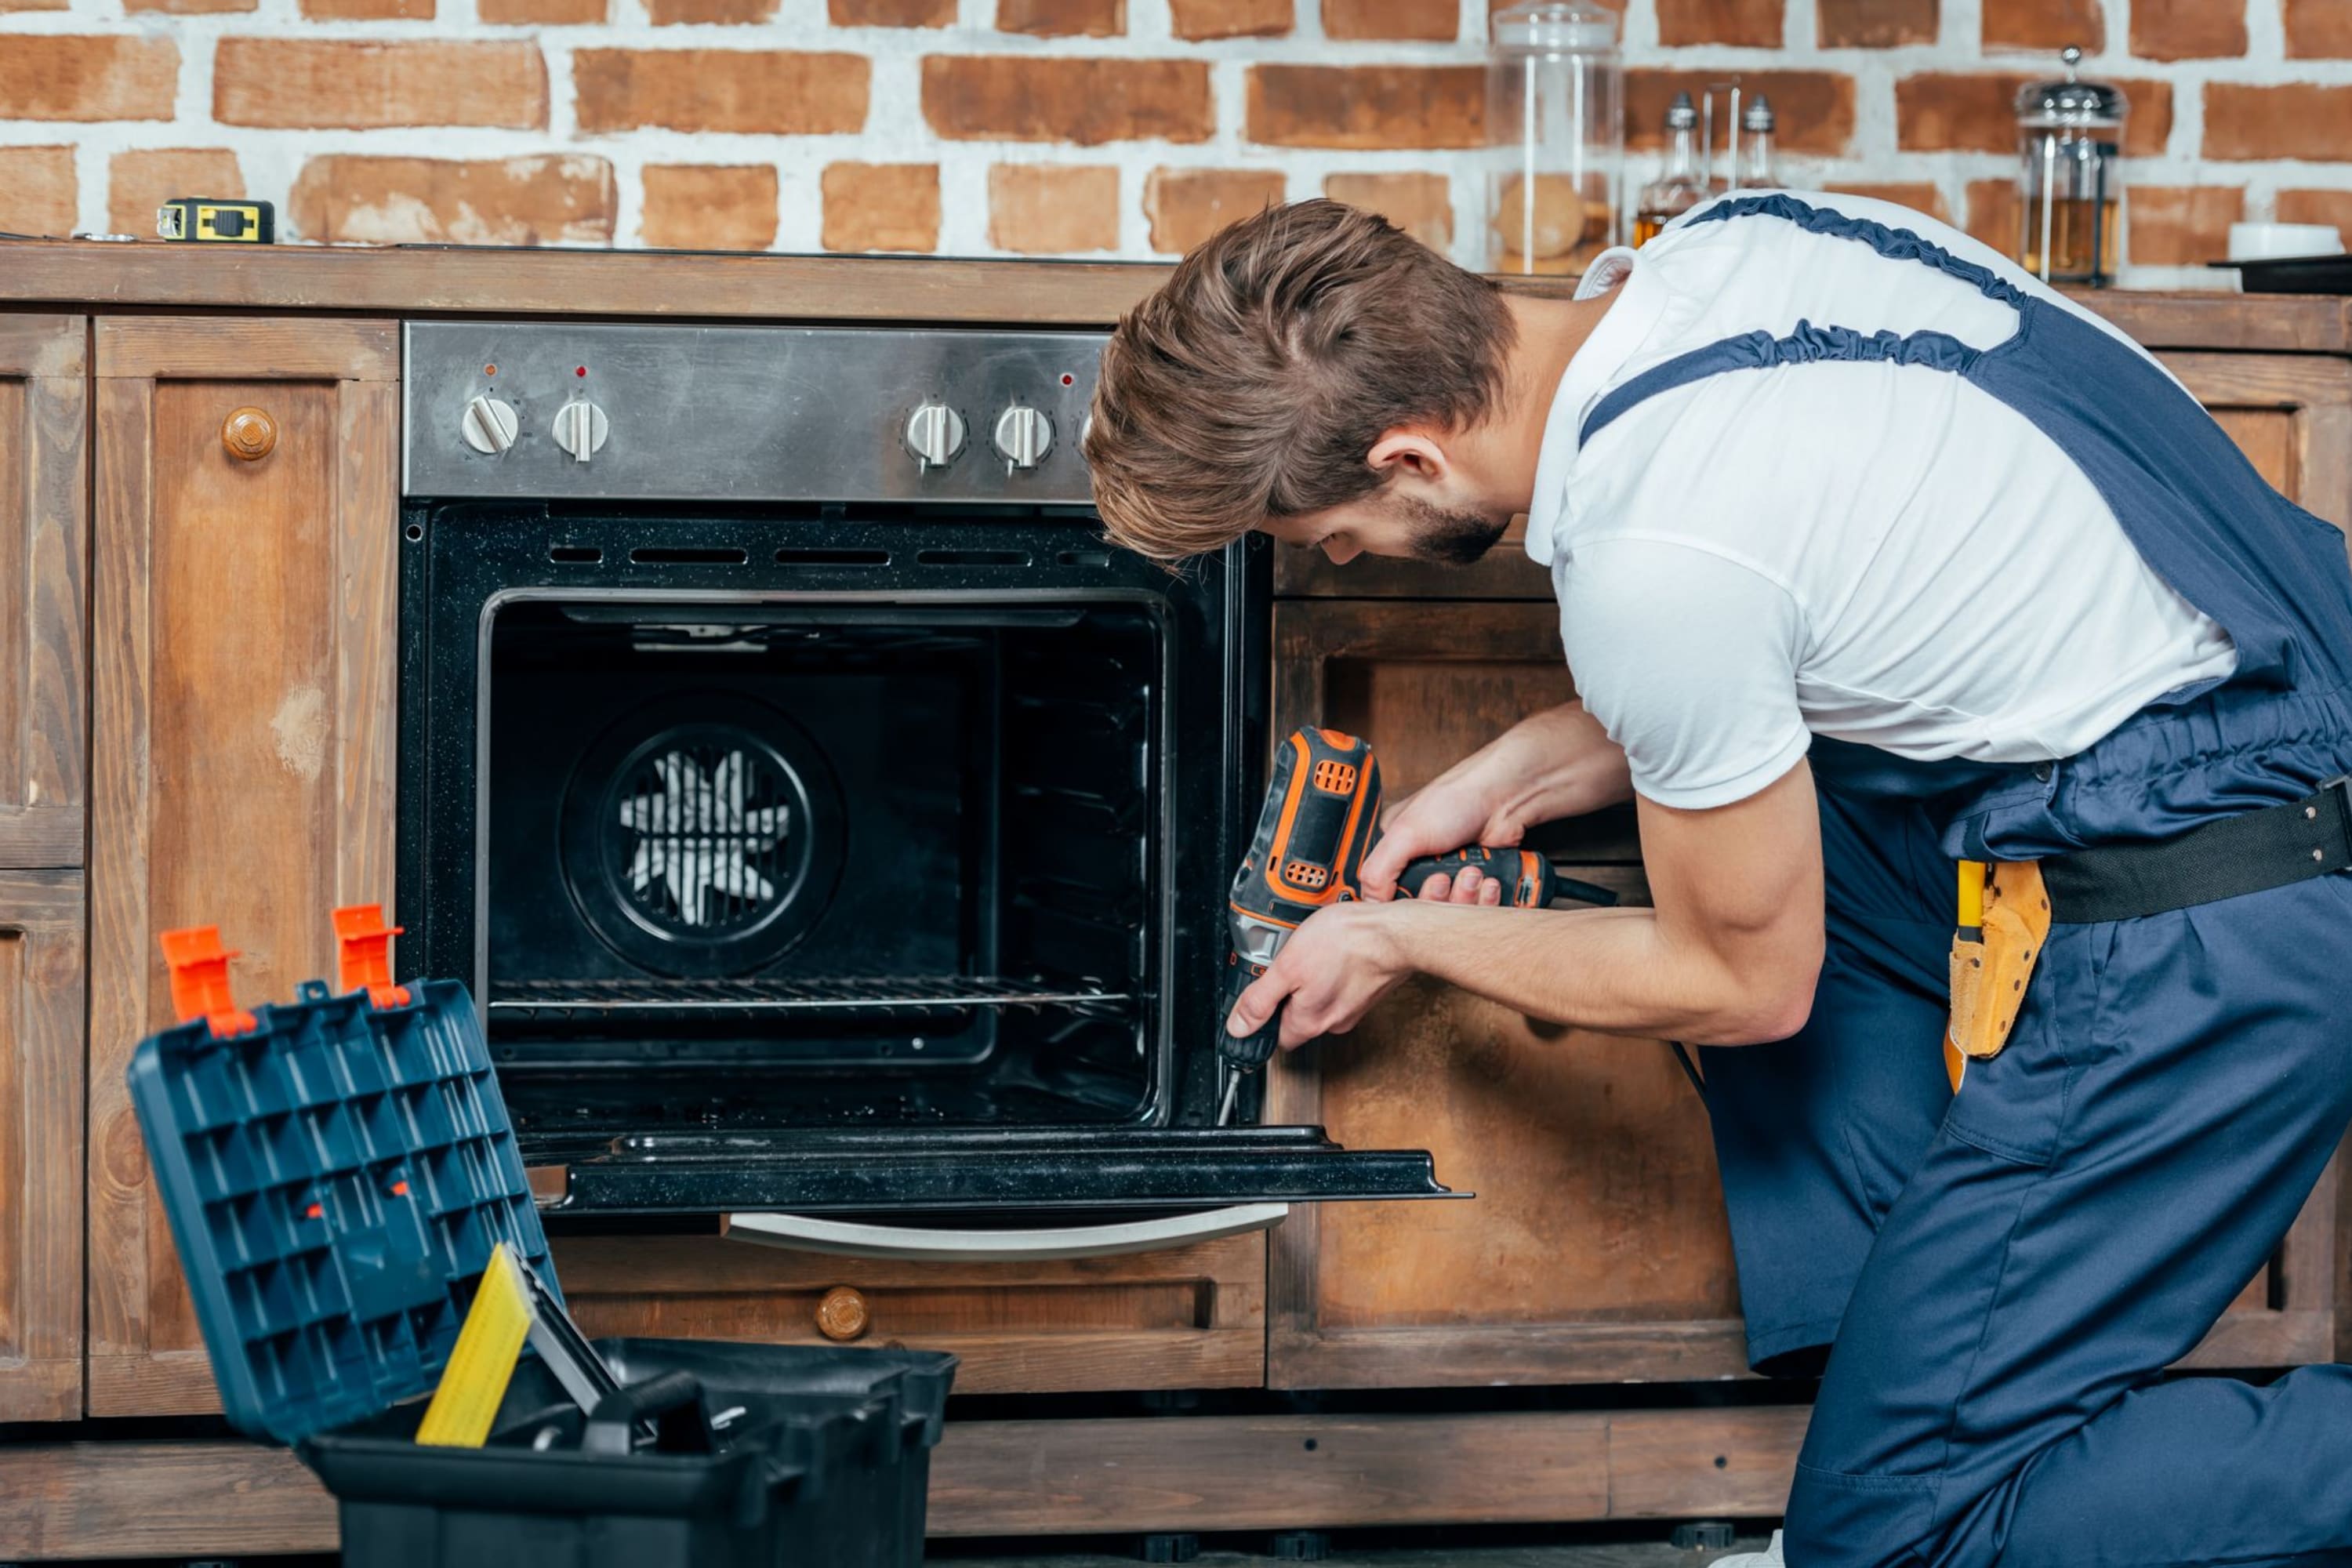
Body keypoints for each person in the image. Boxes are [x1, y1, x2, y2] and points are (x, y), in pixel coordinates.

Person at [1081, 191, 2352, 1568]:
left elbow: (1742, 982)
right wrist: (1504, 779)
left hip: (2223, 905)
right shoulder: (1730, 245)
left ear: (1408, 457)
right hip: (2284, 719)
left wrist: (1399, 940)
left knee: (1896, 1540)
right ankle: (1916, 1358)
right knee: (1791, 836)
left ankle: (1923, 1472)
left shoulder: (1650, 556)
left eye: (1322, 527)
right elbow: (1799, 616)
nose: (1333, 555)